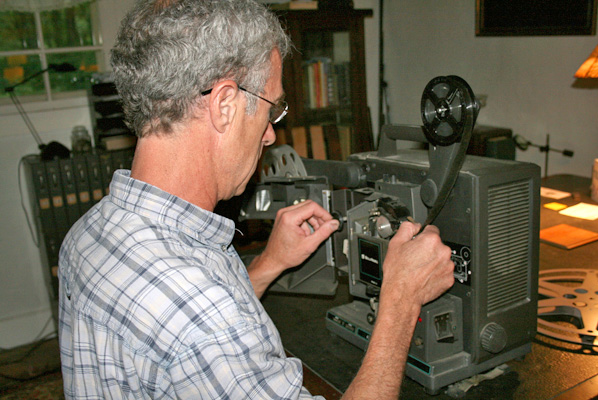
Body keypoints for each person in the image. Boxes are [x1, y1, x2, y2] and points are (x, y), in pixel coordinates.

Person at [57, 0, 455, 398]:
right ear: (225, 106)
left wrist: (268, 264)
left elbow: (176, 339)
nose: (270, 136)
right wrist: (401, 302)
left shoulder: (87, 234)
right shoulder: (203, 312)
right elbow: (201, 323)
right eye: (272, 111)